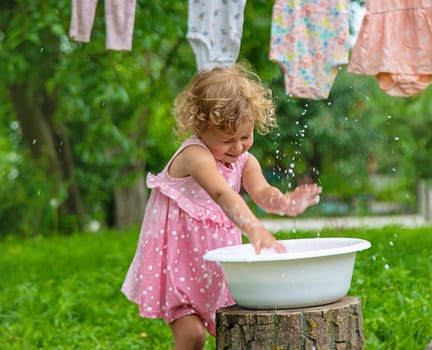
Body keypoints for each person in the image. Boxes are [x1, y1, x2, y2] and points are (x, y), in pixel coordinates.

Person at [121, 62, 322, 350]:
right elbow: (221, 193)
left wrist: (286, 202)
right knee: (192, 336)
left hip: (215, 267)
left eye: (245, 136)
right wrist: (255, 229)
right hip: (179, 265)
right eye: (227, 139)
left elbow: (263, 192)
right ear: (201, 128)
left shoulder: (244, 160)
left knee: (235, 330)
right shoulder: (194, 155)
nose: (238, 147)